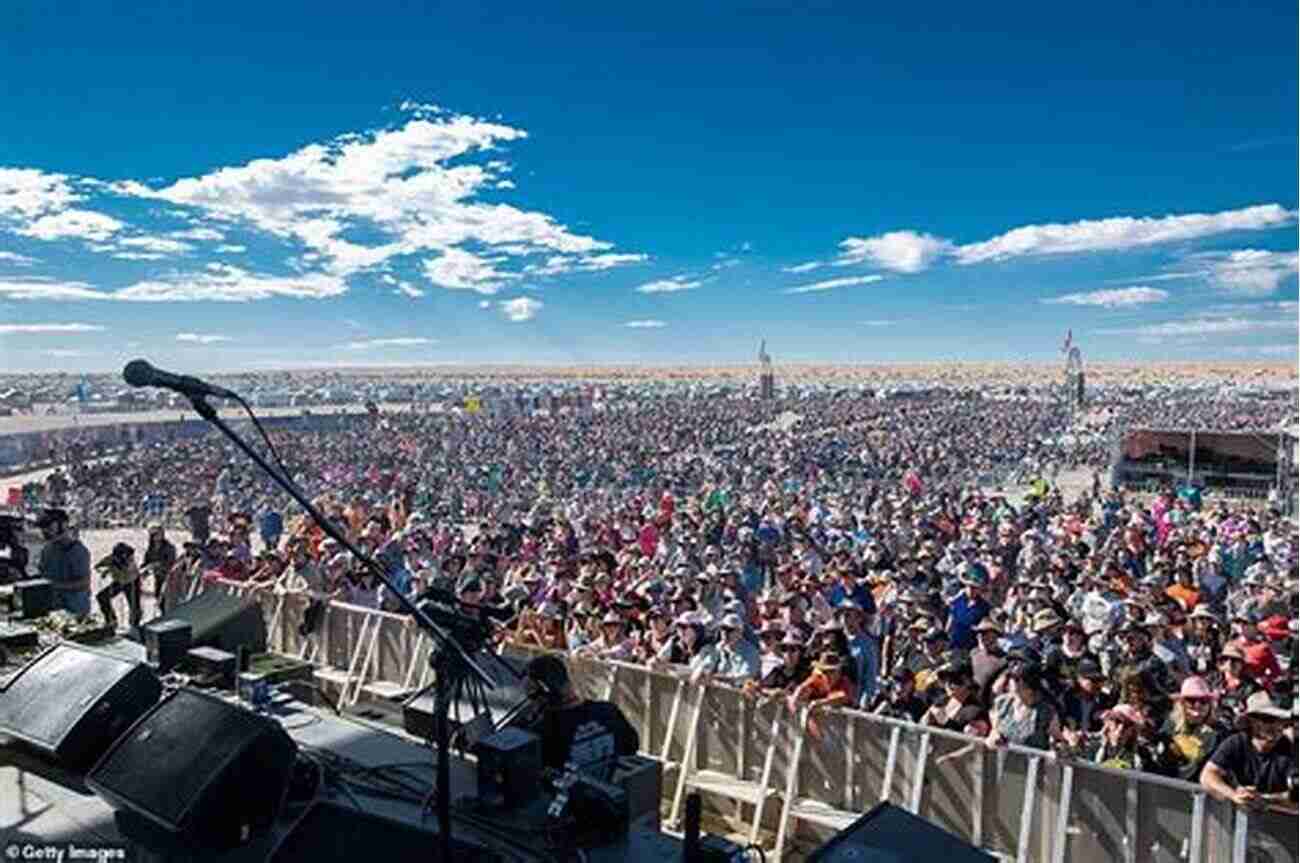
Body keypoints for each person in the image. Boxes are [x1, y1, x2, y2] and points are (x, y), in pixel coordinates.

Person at [521, 654, 639, 775]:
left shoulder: (541, 733)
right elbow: (631, 746)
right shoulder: (608, 711)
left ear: (544, 694)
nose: (530, 701)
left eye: (531, 695)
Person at [1200, 692, 1297, 815]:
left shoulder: (1292, 749)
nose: (1276, 726)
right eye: (1268, 719)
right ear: (1252, 721)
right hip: (1234, 823)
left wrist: (1264, 799)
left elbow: (1296, 797)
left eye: (1282, 720)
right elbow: (1207, 776)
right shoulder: (1236, 742)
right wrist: (1235, 795)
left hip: (1278, 826)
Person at [35, 508, 91, 617]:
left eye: (49, 527)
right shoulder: (47, 549)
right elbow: (42, 573)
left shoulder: (77, 551)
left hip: (75, 609)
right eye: (43, 528)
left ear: (63, 525)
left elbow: (83, 583)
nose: (45, 531)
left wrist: (55, 585)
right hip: (53, 606)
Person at [95, 542, 142, 630]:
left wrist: (114, 567)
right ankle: (111, 620)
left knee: (134, 605)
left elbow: (127, 568)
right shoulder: (111, 558)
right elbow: (98, 566)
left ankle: (135, 625)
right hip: (119, 582)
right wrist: (105, 570)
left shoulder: (130, 559)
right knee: (102, 597)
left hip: (132, 582)